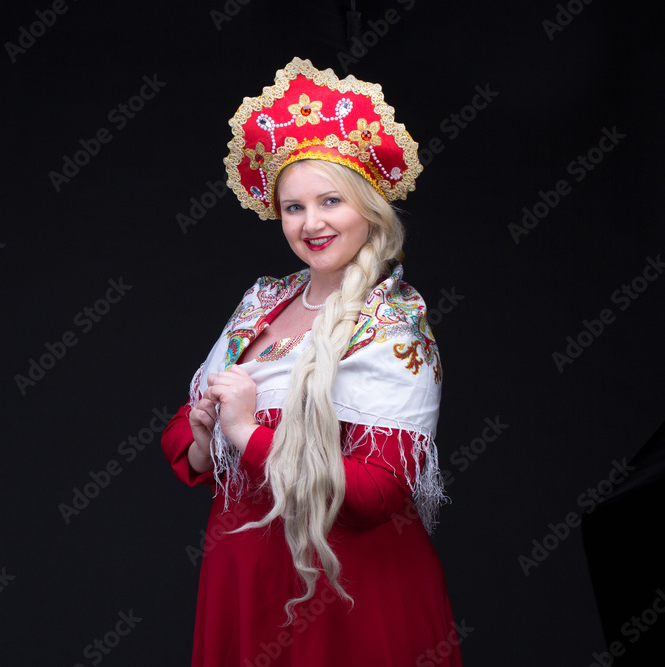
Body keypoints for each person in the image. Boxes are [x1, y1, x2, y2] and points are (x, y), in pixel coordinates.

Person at [161, 58, 462, 666]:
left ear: (368, 209)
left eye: (331, 201)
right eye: (294, 207)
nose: (312, 223)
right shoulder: (264, 299)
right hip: (245, 581)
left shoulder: (393, 323)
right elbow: (189, 440)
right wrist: (201, 433)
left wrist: (245, 431)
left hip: (345, 593)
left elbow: (377, 495)